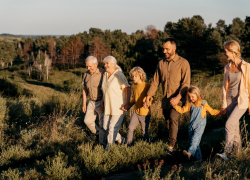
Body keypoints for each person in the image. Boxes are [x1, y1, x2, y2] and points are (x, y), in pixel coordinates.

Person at [144, 38, 191, 155]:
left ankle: (171, 146)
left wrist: (178, 98)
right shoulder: (161, 63)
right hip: (166, 100)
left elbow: (186, 84)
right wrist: (148, 96)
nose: (164, 51)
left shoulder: (183, 63)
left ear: (174, 49)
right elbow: (155, 82)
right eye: (163, 49)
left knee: (173, 118)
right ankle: (173, 146)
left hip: (178, 99)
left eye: (167, 49)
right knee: (168, 122)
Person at [216, 40, 250, 161]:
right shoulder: (227, 67)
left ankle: (227, 153)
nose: (225, 54)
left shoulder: (247, 66)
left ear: (233, 51)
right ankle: (239, 155)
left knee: (229, 124)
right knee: (234, 128)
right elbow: (224, 88)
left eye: (226, 51)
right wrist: (224, 105)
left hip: (242, 101)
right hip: (230, 99)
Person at [171, 86, 221, 162]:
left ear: (197, 95)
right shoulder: (189, 104)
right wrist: (175, 106)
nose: (191, 98)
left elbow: (212, 111)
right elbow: (181, 110)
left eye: (193, 96)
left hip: (200, 126)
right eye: (189, 97)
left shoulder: (203, 104)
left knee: (195, 140)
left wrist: (221, 112)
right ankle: (199, 158)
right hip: (191, 126)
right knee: (194, 142)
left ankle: (189, 154)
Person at [102, 56, 131, 151]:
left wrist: (127, 103)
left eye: (107, 63)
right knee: (105, 126)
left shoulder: (119, 75)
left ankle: (108, 148)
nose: (105, 65)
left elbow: (127, 88)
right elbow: (104, 90)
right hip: (107, 107)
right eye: (104, 63)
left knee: (112, 128)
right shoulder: (105, 75)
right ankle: (121, 140)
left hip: (118, 107)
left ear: (113, 64)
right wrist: (102, 102)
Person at [123, 67, 153, 147]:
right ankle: (128, 145)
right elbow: (134, 98)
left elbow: (151, 97)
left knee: (144, 131)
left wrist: (148, 103)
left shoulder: (147, 85)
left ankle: (147, 147)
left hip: (145, 113)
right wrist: (128, 105)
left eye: (135, 76)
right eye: (132, 76)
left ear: (140, 76)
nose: (133, 78)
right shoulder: (134, 86)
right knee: (130, 128)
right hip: (136, 112)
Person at [82, 56, 105, 145]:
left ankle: (102, 143)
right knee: (87, 121)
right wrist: (84, 103)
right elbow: (85, 89)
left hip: (101, 101)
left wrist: (102, 102)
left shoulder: (103, 73)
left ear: (96, 64)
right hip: (91, 102)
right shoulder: (86, 74)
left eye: (90, 66)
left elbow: (106, 89)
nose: (88, 68)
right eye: (87, 66)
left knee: (102, 124)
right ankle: (99, 134)